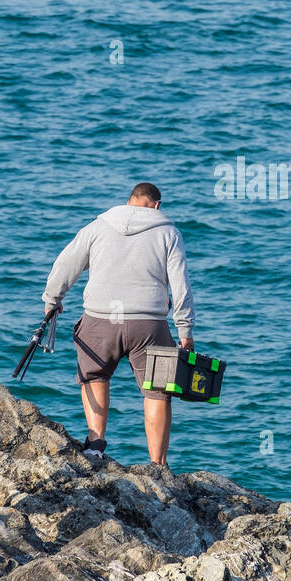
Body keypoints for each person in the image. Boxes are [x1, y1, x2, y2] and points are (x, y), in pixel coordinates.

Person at [41, 182, 194, 467]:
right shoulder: (169, 233)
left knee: (95, 376)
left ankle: (95, 444)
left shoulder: (98, 226)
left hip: (100, 318)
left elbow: (65, 264)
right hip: (148, 323)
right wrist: (184, 330)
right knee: (157, 391)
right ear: (157, 205)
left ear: (129, 201)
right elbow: (180, 285)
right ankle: (157, 463)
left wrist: (52, 300)